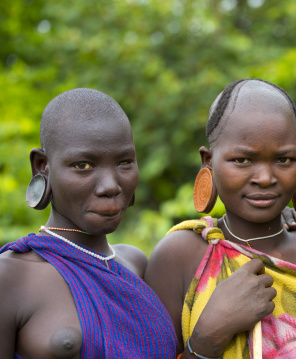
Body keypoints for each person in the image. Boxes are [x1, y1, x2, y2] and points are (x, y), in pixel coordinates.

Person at [145, 79, 296, 359]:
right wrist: (208, 336)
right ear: (208, 161)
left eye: (283, 160)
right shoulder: (177, 256)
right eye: (243, 160)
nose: (265, 178)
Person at [0, 88, 177, 358]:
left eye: (125, 162)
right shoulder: (11, 277)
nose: (110, 186)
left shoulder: (136, 265)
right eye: (83, 165)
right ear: (41, 166)